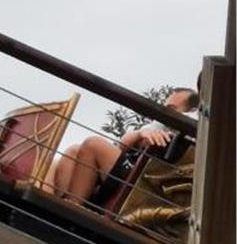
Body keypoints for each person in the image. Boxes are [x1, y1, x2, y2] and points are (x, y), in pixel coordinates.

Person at [45, 88, 199, 206]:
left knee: (94, 144)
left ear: (190, 113)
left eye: (171, 108)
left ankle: (73, 206)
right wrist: (140, 135)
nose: (165, 111)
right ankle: (59, 201)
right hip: (134, 171)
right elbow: (121, 145)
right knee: (72, 151)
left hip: (149, 184)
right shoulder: (160, 124)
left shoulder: (193, 130)